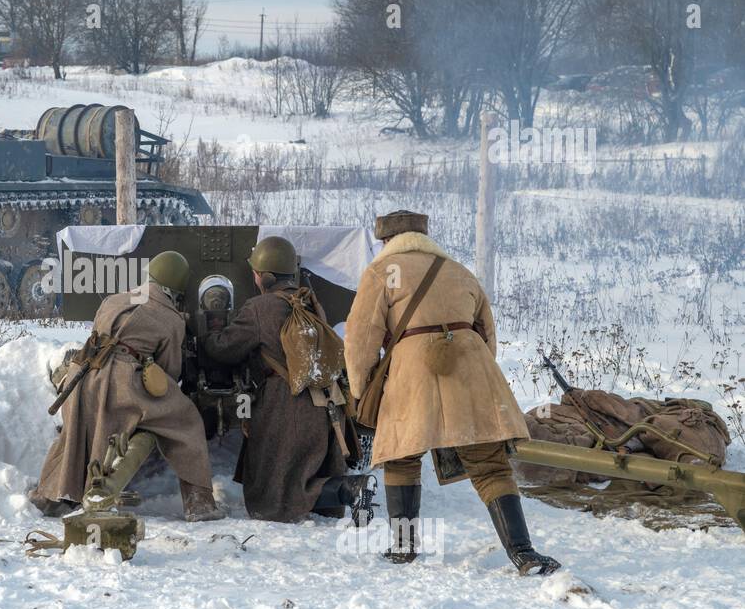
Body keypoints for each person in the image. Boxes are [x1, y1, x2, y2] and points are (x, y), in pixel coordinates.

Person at [344, 210, 560, 574]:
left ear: (386, 242)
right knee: (490, 464)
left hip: (411, 373)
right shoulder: (458, 270)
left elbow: (361, 338)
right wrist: (476, 378)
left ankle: (403, 547)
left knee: (401, 458)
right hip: (471, 367)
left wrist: (360, 388)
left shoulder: (382, 272)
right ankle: (523, 552)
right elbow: (487, 333)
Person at [30, 250, 222, 522]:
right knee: (186, 421)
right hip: (123, 382)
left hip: (81, 376)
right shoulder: (171, 317)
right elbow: (169, 371)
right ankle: (199, 503)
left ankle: (50, 496)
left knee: (74, 432)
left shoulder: (115, 299)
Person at [200, 235, 365, 522]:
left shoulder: (259, 308)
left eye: (255, 273)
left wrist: (211, 330)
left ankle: (350, 490)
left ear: (264, 277)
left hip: (286, 406)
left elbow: (225, 349)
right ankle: (343, 489)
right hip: (324, 403)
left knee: (270, 498)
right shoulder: (309, 302)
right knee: (305, 474)